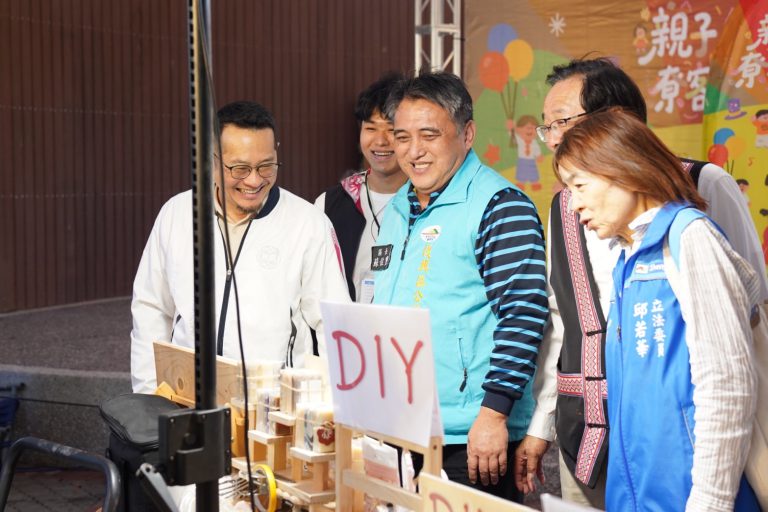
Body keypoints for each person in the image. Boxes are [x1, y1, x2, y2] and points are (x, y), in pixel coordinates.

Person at [514, 57, 768, 508]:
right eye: (547, 127)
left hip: (691, 470)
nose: (552, 138)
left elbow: (731, 364)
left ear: (618, 138)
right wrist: (545, 422)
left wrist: (710, 499)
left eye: (562, 123)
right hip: (620, 458)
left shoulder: (691, 229)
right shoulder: (627, 251)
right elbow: (565, 325)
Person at [373, 71, 548, 501]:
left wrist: (493, 415)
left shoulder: (500, 205)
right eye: (402, 137)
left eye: (429, 135)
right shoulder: (397, 209)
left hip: (470, 437)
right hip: (401, 428)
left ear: (467, 134)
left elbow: (524, 314)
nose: (413, 151)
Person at [130, 101, 349, 393]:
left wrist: (338, 405)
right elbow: (151, 308)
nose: (254, 180)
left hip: (272, 405)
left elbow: (335, 322)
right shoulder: (177, 214)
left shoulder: (308, 223)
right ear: (211, 159)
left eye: (266, 166)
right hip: (187, 399)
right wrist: (149, 393)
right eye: (240, 168)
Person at [315, 72, 408, 302]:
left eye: (391, 129)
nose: (380, 141)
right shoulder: (329, 204)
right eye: (371, 128)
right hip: (344, 325)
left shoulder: (428, 203)